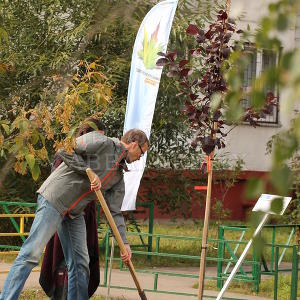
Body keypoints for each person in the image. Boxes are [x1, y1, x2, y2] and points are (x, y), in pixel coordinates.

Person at [0, 128, 149, 300]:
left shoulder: (117, 177)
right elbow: (65, 149)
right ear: (133, 144)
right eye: (142, 152)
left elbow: (115, 213)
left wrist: (124, 243)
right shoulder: (102, 142)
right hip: (55, 198)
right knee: (30, 255)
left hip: (74, 213)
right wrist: (88, 171)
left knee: (80, 264)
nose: (140, 158)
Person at [39, 118, 106, 299]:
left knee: (83, 263)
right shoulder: (67, 152)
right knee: (65, 263)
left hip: (86, 215)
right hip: (65, 214)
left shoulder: (98, 158)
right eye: (95, 137)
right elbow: (60, 187)